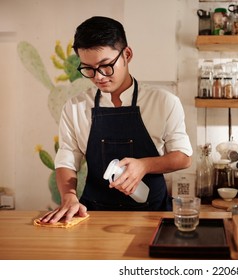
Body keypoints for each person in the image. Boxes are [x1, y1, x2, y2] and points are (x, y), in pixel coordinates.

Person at [40, 16, 193, 223]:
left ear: (127, 55)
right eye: (88, 69)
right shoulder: (75, 107)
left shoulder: (164, 101)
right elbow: (67, 159)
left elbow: (183, 157)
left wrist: (144, 165)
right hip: (94, 214)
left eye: (105, 65)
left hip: (152, 215)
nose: (99, 77)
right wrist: (69, 196)